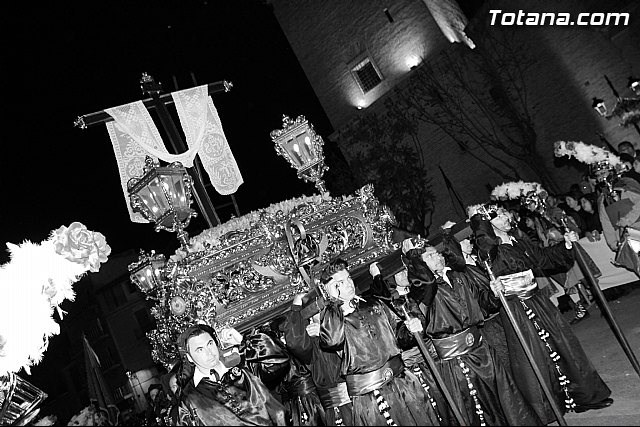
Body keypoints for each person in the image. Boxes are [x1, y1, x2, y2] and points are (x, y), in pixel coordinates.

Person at [471, 206, 613, 423]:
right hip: (516, 308)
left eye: (504, 213)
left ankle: (584, 396)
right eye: (499, 217)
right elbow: (486, 249)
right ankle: (548, 409)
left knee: (564, 344)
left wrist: (565, 244)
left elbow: (544, 259)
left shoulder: (517, 240)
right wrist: (479, 222)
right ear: (489, 225)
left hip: (538, 300)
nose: (507, 217)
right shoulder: (488, 249)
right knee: (535, 357)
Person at [400, 238, 541, 426]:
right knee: (477, 408)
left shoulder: (459, 276)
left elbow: (483, 305)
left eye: (437, 253)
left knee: (505, 398)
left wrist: (494, 294)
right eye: (430, 255)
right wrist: (413, 256)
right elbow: (424, 290)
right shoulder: (421, 293)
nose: (438, 256)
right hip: (455, 361)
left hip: (481, 350)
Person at [318, 258, 440, 426]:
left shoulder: (374, 303)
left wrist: (412, 329)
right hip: (372, 397)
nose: (348, 284)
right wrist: (332, 301)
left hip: (402, 382)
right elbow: (331, 341)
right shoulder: (334, 321)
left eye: (348, 278)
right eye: (340, 282)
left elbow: (400, 336)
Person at [176, 324, 286, 426]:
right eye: (200, 350)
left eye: (210, 344)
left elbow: (278, 362)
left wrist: (242, 341)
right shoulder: (190, 398)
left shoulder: (244, 370)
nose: (209, 352)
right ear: (190, 358)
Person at [285, 294, 353, 426]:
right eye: (318, 311)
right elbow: (295, 342)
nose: (324, 314)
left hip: (360, 398)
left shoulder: (343, 327)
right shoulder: (311, 342)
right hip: (338, 407)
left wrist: (324, 334)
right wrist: (296, 306)